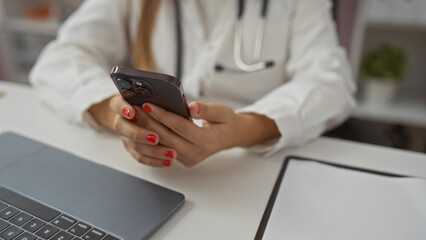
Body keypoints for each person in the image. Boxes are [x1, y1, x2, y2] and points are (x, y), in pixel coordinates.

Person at [30, 0, 356, 168]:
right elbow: (59, 59)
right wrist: (116, 115)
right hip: (156, 174)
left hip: (253, 169)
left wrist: (243, 129)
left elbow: (331, 81)